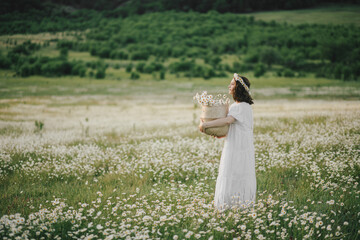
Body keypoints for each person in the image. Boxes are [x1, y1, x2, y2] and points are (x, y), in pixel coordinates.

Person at [199, 73, 256, 211]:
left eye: (232, 84)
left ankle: (231, 205)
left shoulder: (240, 106)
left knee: (233, 172)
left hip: (237, 147)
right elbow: (233, 127)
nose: (229, 86)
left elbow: (227, 121)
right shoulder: (244, 106)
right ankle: (239, 203)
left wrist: (206, 125)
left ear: (238, 88)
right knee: (237, 173)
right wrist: (220, 134)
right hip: (240, 145)